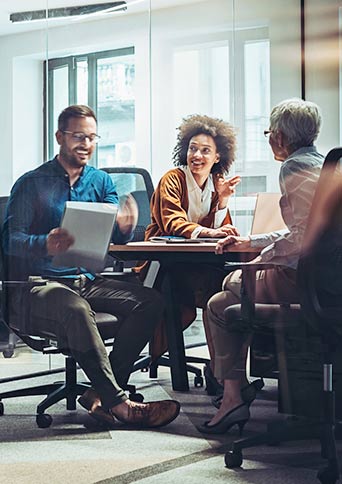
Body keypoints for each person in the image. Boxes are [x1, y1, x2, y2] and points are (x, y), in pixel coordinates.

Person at [2, 104, 180, 429]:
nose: (86, 144)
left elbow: (112, 233)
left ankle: (98, 395)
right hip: (38, 284)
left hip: (86, 278)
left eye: (92, 137)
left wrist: (125, 224)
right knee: (77, 309)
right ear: (60, 137)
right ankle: (121, 405)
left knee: (150, 302)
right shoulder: (31, 184)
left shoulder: (101, 182)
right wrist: (44, 242)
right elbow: (10, 243)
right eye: (78, 136)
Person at [197, 98, 324, 433]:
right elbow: (308, 230)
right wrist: (251, 242)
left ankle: (232, 396)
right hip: (327, 283)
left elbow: (302, 238)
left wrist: (259, 258)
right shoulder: (325, 164)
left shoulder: (294, 167)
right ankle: (233, 393)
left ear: (280, 137)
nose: (269, 139)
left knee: (224, 294)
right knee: (225, 301)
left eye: (269, 132)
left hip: (305, 282)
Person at [142, 114, 240, 391]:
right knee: (213, 288)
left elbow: (224, 230)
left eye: (205, 150)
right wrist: (209, 232)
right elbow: (173, 222)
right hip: (163, 266)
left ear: (218, 155)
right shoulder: (173, 179)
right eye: (193, 148)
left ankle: (220, 368)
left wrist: (223, 202)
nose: (196, 155)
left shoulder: (216, 183)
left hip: (196, 264)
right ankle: (220, 373)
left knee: (224, 289)